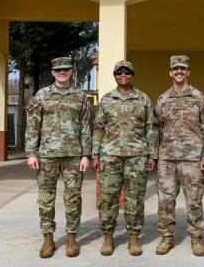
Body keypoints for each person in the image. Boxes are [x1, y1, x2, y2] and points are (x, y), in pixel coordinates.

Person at [25, 56, 93, 258]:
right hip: (47, 156)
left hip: (73, 156)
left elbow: (86, 127)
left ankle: (72, 238)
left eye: (66, 69)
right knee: (46, 199)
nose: (62, 73)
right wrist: (31, 153)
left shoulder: (80, 97)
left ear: (72, 71)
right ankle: (48, 239)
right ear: (53, 73)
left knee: (73, 199)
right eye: (58, 70)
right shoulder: (42, 95)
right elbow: (33, 125)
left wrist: (86, 155)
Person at [92, 60, 158, 256]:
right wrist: (95, 154)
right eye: (119, 72)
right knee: (108, 199)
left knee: (135, 199)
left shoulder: (143, 99)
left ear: (132, 75)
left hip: (137, 156)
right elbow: (98, 128)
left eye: (127, 72)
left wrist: (152, 154)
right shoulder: (106, 100)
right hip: (110, 156)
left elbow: (151, 128)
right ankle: (108, 237)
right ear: (114, 76)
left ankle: (134, 237)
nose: (123, 75)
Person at [154, 55, 204, 256]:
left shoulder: (199, 98)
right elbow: (156, 130)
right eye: (175, 68)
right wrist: (155, 157)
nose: (179, 72)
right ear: (170, 72)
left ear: (188, 72)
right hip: (167, 159)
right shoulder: (162, 100)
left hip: (192, 159)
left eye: (183, 68)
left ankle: (196, 238)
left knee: (194, 200)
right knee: (165, 200)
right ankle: (166, 237)